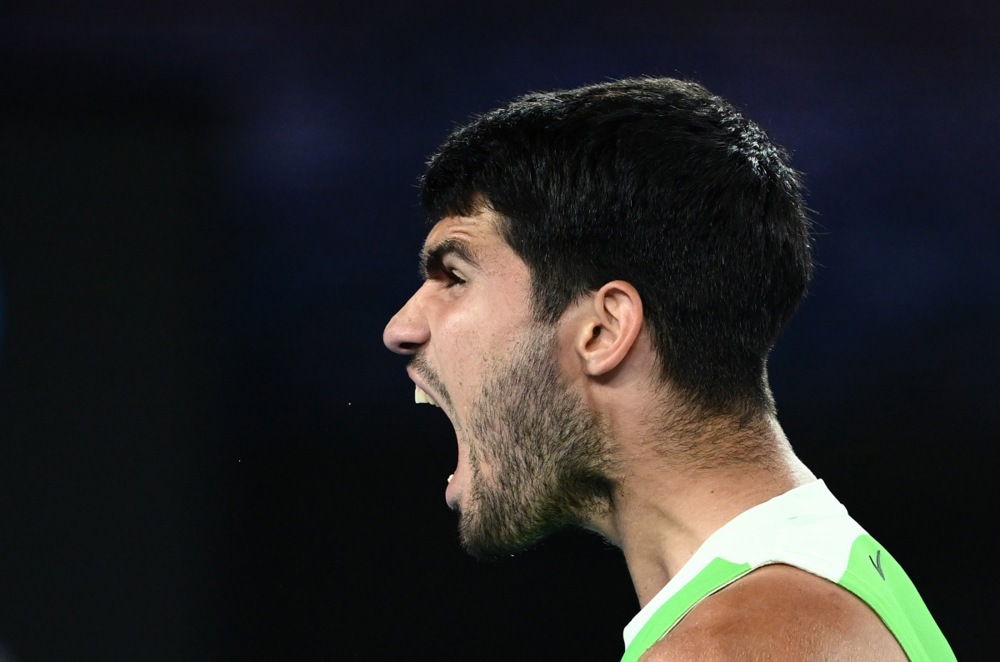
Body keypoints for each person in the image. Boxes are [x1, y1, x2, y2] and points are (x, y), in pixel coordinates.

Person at [382, 77, 954, 661]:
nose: (400, 328)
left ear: (602, 331)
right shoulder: (825, 579)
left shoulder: (728, 646)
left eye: (453, 276)